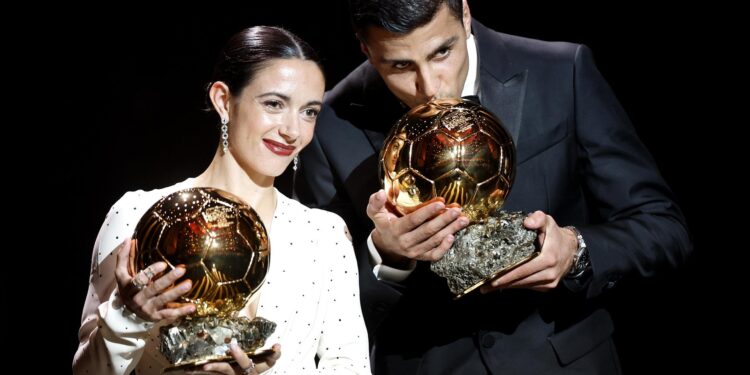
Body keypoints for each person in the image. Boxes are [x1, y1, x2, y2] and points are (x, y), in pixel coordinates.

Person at [287, 0, 692, 373]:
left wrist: (576, 251)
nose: (429, 86)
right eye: (399, 66)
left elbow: (662, 226)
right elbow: (316, 310)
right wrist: (387, 258)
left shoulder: (562, 70)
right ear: (364, 49)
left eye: (442, 52)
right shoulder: (329, 126)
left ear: (464, 14)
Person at [73, 26, 371, 375]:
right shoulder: (138, 215)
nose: (293, 130)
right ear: (223, 100)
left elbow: (349, 366)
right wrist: (129, 315)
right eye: (274, 104)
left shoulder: (324, 235)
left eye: (309, 112)